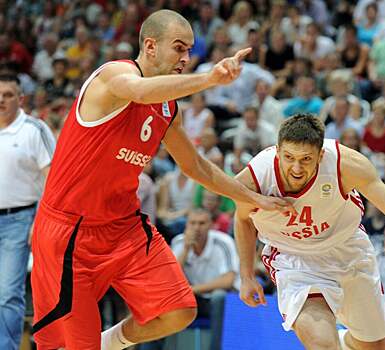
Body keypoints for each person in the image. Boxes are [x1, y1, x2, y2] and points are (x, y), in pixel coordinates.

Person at [30, 10, 292, 350]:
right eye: (179, 49)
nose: (186, 58)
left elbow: (197, 166)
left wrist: (252, 198)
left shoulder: (169, 108)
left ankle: (107, 343)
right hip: (70, 234)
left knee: (179, 310)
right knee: (63, 345)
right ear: (150, 46)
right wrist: (208, 79)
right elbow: (137, 91)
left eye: (190, 50)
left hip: (123, 228)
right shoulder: (114, 75)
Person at [233, 114, 385, 350]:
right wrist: (246, 275)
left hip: (349, 252)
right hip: (296, 262)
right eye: (288, 157)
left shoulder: (345, 165)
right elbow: (243, 219)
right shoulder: (255, 178)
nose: (296, 168)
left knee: (374, 347)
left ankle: (345, 341)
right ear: (277, 151)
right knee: (322, 345)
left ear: (320, 155)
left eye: (306, 159)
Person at [0, 75, 55, 350]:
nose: (1, 100)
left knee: (8, 292)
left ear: (20, 99)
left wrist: (40, 220)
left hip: (21, 219)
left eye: (8, 95)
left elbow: (53, 178)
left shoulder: (34, 129)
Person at [171, 209, 239, 350]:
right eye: (192, 223)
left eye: (202, 223)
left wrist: (192, 290)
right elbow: (169, 280)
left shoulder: (223, 242)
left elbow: (228, 281)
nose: (196, 227)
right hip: (191, 300)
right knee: (165, 299)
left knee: (218, 296)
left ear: (211, 225)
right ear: (186, 225)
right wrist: (185, 250)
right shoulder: (178, 243)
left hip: (217, 300)